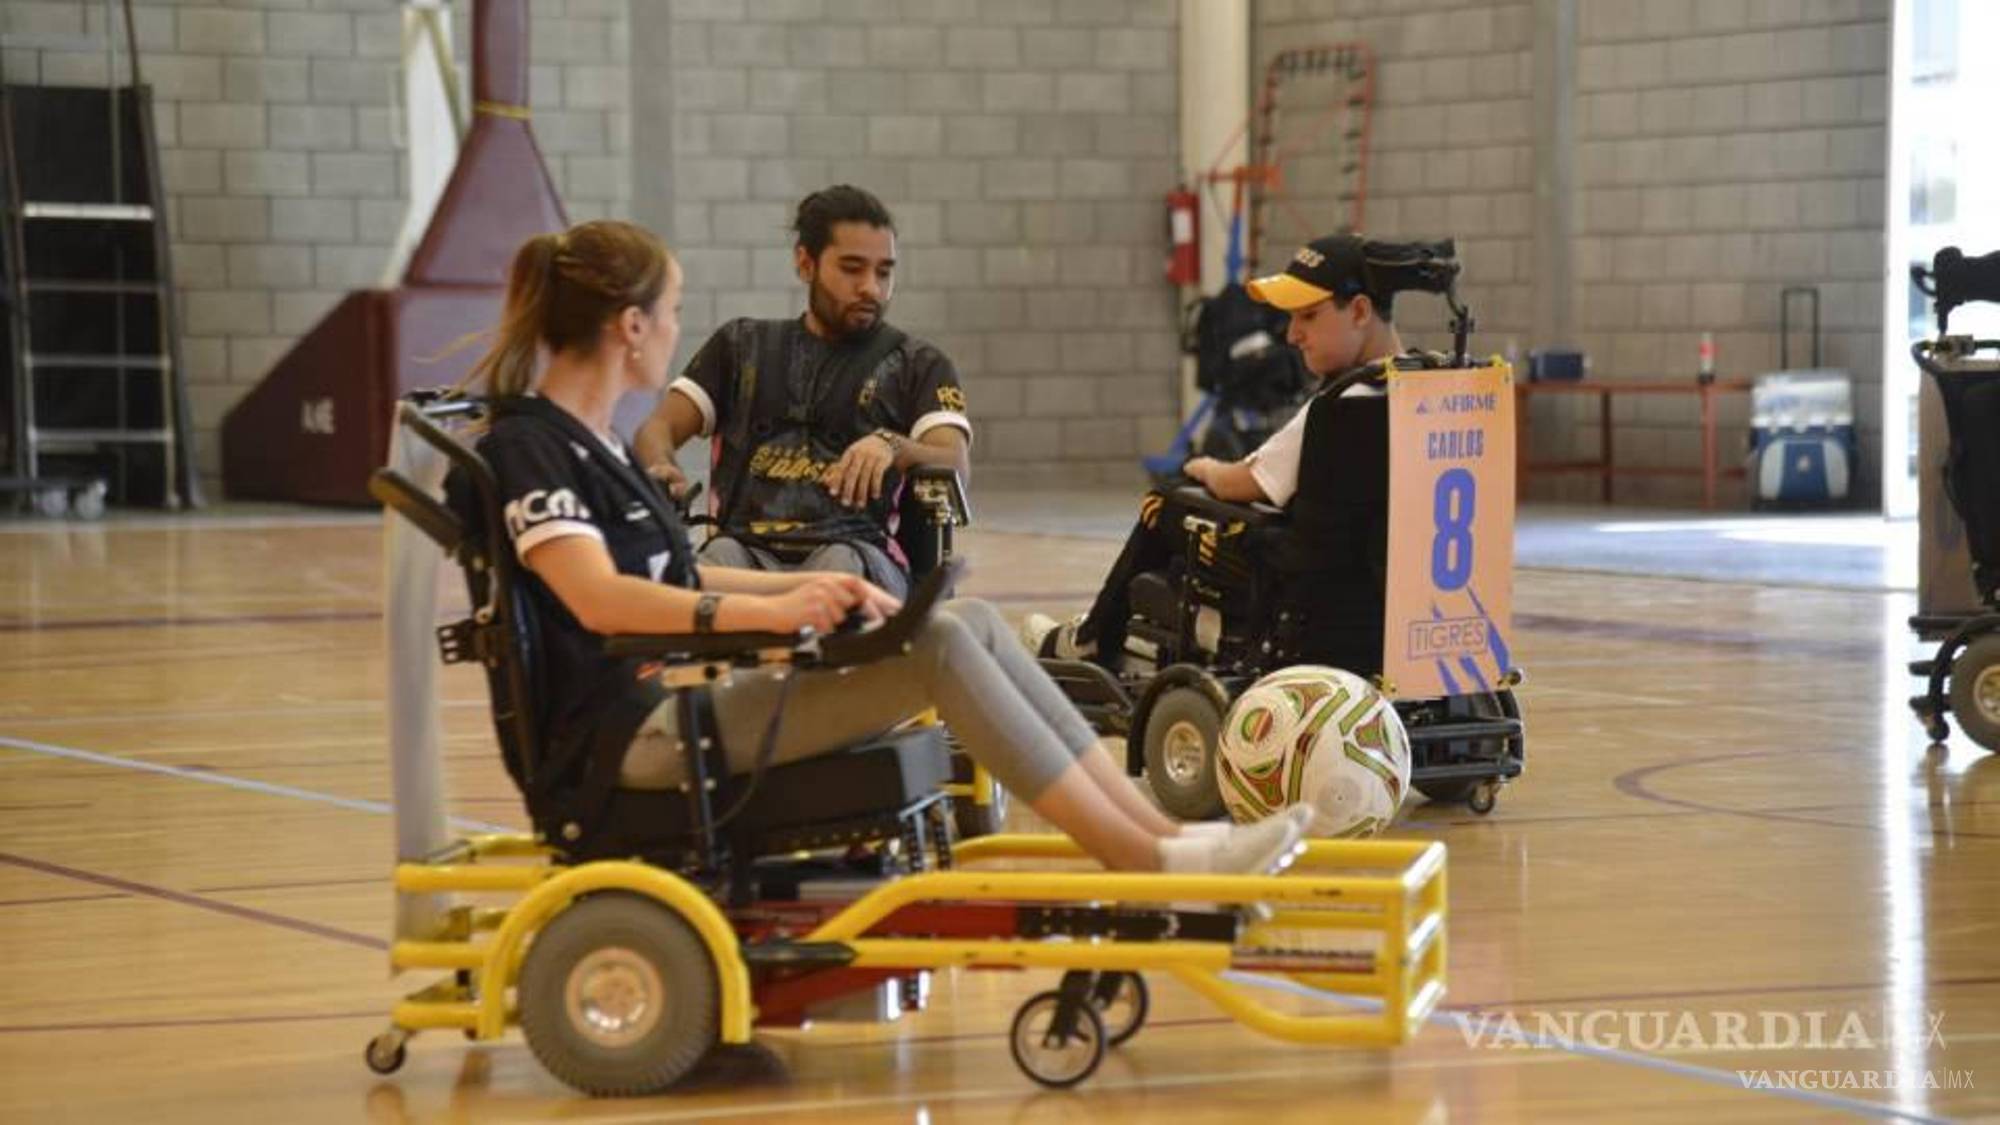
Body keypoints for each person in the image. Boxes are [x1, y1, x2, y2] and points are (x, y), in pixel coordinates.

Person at [451, 218, 1310, 874]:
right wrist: (768, 605)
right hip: (633, 741)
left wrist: (803, 597)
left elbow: (670, 573)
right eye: (670, 314)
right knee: (937, 647)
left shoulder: (593, 445)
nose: (678, 330)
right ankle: (1147, 857)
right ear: (630, 327)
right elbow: (600, 599)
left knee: (965, 620)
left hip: (669, 712)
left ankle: (1164, 833)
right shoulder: (532, 448)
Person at [1025, 233, 1418, 675]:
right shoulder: (1427, 393)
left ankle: (1091, 639)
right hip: (1383, 594)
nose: (1293, 334)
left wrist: (1206, 467)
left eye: (1308, 316)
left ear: (1361, 311)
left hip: (1300, 590)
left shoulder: (1342, 403)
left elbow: (1242, 482)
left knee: (1168, 502)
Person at [634, 185, 969, 599]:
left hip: (859, 554)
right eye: (852, 268)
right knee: (707, 567)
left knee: (838, 575)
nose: (871, 288)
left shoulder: (919, 364)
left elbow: (954, 460)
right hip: (745, 550)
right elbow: (658, 427)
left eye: (884, 272)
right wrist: (662, 466)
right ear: (805, 263)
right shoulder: (739, 347)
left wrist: (892, 444)